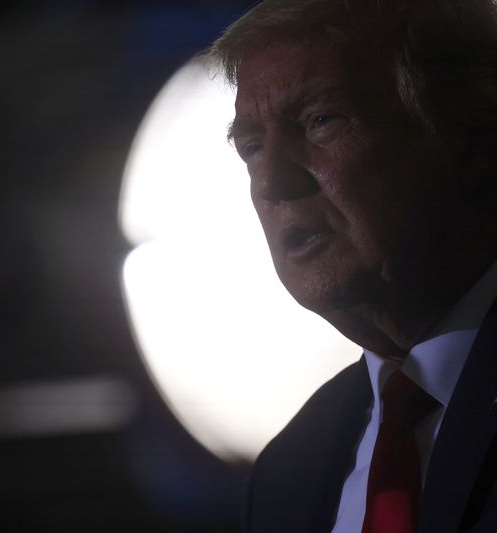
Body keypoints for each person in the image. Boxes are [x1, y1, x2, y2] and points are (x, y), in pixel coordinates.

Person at [209, 1, 497, 531]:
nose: (270, 181)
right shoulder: (287, 473)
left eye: (320, 121)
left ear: (472, 137)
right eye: (251, 147)